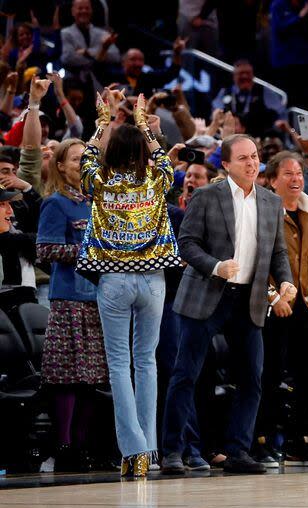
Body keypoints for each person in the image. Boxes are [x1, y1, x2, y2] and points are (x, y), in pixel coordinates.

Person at [162, 135, 295, 475]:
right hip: (206, 292)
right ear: (225, 164)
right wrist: (215, 265)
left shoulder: (270, 201)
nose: (252, 164)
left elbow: (278, 251)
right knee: (185, 375)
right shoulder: (207, 196)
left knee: (253, 377)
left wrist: (285, 281)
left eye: (254, 157)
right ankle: (172, 451)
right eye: (243, 159)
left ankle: (238, 450)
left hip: (247, 297)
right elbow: (186, 244)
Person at [77, 90, 181, 478]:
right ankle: (147, 450)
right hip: (153, 280)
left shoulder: (99, 180)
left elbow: (87, 158)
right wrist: (142, 123)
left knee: (119, 364)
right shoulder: (158, 178)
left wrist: (102, 123)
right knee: (146, 363)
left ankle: (133, 450)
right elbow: (161, 158)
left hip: (114, 280)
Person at [256, 151, 308, 467]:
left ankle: (302, 442)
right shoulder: (264, 213)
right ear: (272, 181)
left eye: (299, 173)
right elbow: (256, 262)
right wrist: (274, 296)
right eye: (288, 174)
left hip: (304, 305)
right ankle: (261, 441)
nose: (296, 179)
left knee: (306, 377)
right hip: (272, 307)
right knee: (269, 376)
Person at [37, 137, 108, 472]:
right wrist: (87, 253)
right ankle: (64, 445)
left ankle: (82, 444)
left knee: (91, 378)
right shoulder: (55, 204)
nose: (82, 164)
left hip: (98, 299)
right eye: (77, 159)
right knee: (68, 378)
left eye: (87, 158)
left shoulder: (97, 203)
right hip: (68, 299)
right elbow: (45, 251)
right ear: (61, 166)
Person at [60, 0, 121, 82]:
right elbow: (68, 58)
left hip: (100, 81)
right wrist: (100, 54)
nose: (84, 11)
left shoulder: (103, 33)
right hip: (75, 81)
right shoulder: (65, 33)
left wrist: (87, 52)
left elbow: (116, 56)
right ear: (73, 11)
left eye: (87, 8)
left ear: (91, 11)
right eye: (80, 8)